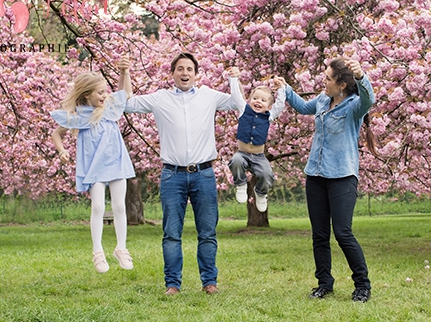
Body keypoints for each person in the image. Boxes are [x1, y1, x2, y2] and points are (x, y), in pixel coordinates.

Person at [122, 53, 240, 295]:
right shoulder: (160, 98)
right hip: (172, 176)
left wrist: (234, 79)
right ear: (172, 73)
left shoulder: (209, 96)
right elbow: (127, 103)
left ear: (196, 74)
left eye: (189, 69)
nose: (185, 73)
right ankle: (172, 285)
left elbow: (237, 103)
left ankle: (210, 282)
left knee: (207, 232)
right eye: (180, 69)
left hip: (203, 173)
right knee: (171, 234)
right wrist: (125, 73)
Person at [276, 58, 376, 302]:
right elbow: (301, 107)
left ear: (341, 85)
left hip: (342, 176)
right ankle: (324, 283)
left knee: (342, 232)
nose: (324, 81)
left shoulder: (354, 107)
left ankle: (362, 285)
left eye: (328, 78)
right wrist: (285, 88)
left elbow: (369, 99)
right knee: (319, 234)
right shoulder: (322, 100)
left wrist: (362, 76)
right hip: (316, 176)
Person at [50, 62, 136, 274]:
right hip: (94, 166)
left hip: (116, 161)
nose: (104, 96)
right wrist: (62, 151)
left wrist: (124, 72)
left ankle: (121, 247)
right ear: (87, 95)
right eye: (100, 92)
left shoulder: (110, 108)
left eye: (105, 91)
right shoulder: (79, 116)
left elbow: (126, 92)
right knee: (98, 207)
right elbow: (56, 133)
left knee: (119, 206)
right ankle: (97, 251)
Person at [227, 67, 286, 212]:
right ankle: (240, 184)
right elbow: (236, 96)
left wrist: (282, 88)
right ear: (250, 100)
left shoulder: (269, 116)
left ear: (269, 106)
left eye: (263, 100)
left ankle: (261, 193)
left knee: (267, 175)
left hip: (259, 156)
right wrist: (234, 78)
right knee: (235, 161)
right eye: (255, 98)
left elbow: (280, 104)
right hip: (242, 153)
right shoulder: (243, 110)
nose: (258, 102)